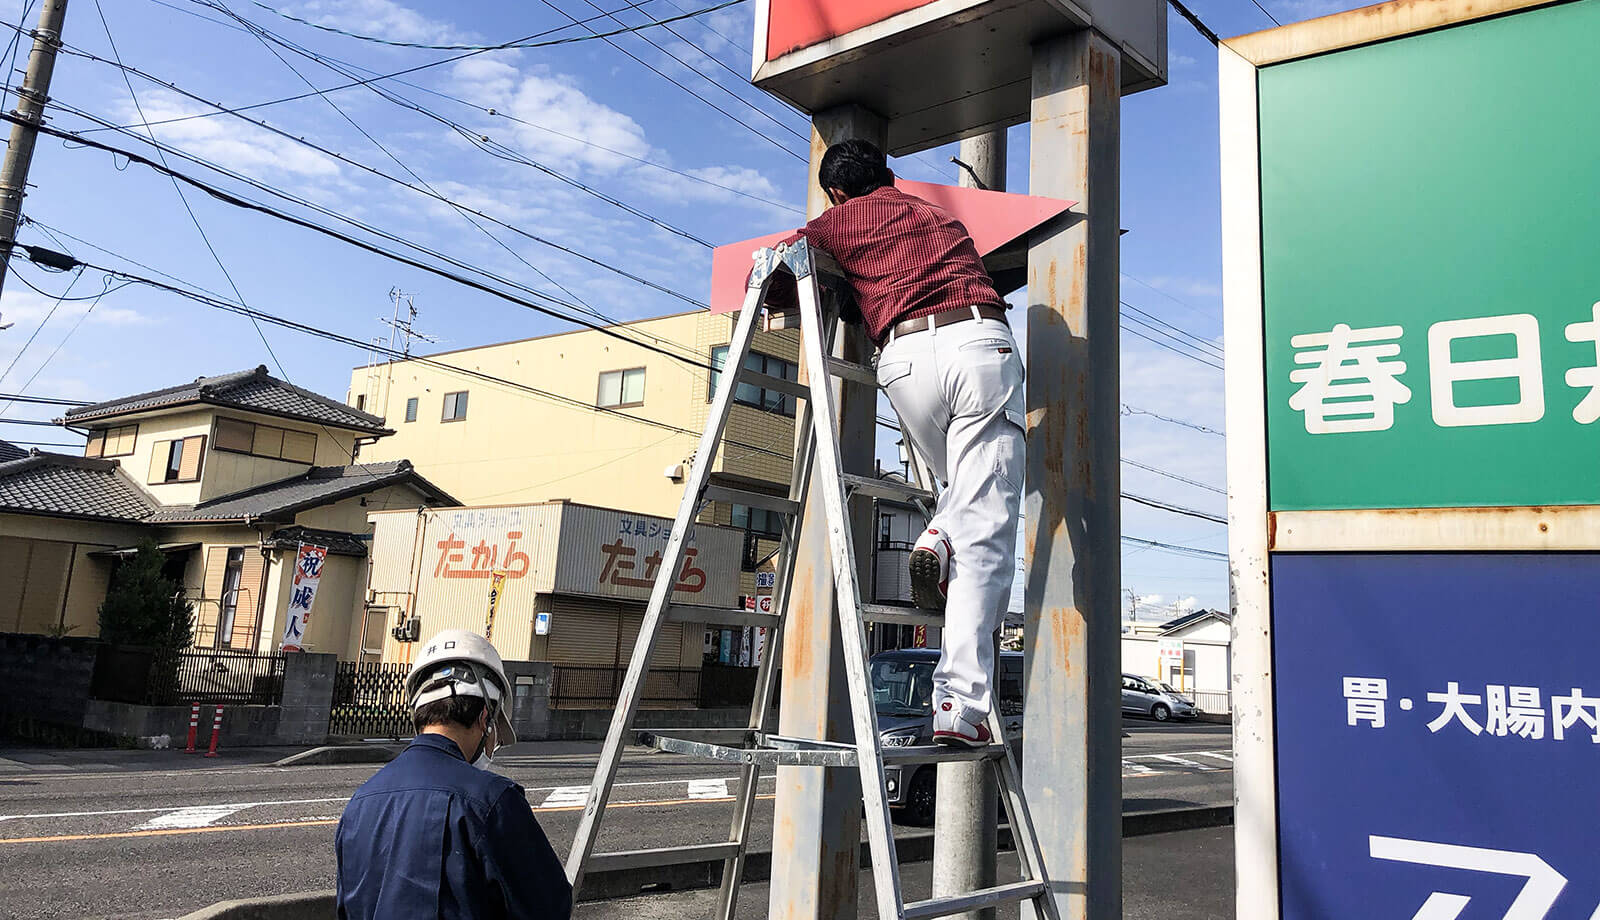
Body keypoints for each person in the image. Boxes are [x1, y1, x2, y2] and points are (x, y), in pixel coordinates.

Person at [788, 139, 1025, 748]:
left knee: (963, 498)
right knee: (988, 532)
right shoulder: (936, 215)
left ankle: (941, 532)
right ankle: (960, 706)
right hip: (976, 343)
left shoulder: (833, 222)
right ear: (889, 175)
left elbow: (786, 265)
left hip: (903, 360)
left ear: (837, 191)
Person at [335, 629, 572, 920]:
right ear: (485, 718)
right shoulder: (491, 800)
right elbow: (548, 907)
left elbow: (348, 907)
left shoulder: (360, 802)